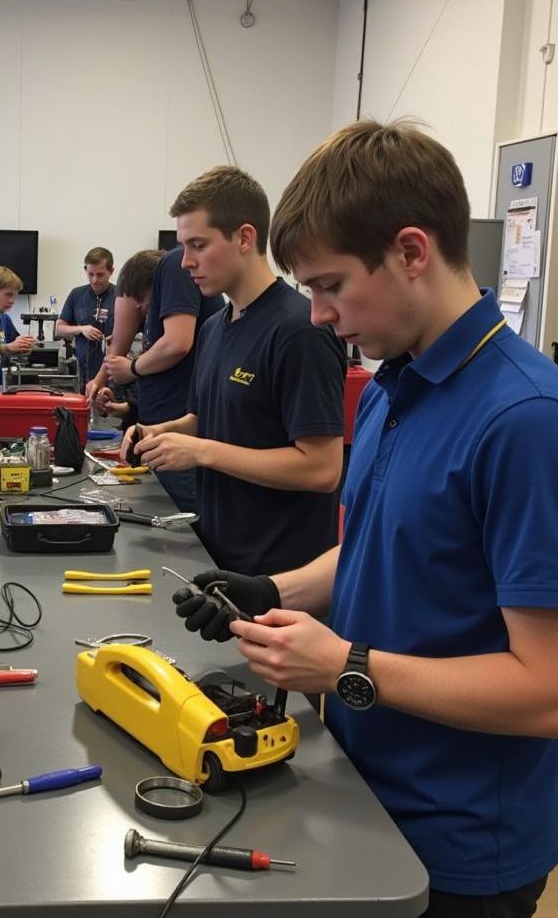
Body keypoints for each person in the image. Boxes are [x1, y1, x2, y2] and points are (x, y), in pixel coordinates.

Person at [173, 121, 558, 918]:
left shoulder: (526, 421)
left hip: (456, 844)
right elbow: (374, 552)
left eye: (331, 285)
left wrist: (347, 665)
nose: (316, 315)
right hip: (358, 787)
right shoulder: (391, 386)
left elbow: (546, 690)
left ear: (412, 251)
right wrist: (270, 587)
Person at [124, 166, 345, 573]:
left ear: (245, 237)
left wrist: (202, 452)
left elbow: (322, 469)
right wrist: (161, 433)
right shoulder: (214, 328)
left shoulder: (298, 331)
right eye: (183, 247)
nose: (186, 262)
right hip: (220, 555)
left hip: (280, 576)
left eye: (198, 245)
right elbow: (206, 419)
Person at [88, 245, 221, 513]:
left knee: (182, 536)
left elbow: (178, 345)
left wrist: (131, 369)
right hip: (164, 433)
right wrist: (128, 409)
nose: (141, 307)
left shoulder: (173, 265)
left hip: (179, 443)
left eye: (143, 300)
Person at [55, 246, 117, 391]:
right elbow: (59, 329)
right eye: (91, 274)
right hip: (82, 371)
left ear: (111, 271)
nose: (95, 280)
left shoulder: (120, 296)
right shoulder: (77, 295)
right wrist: (82, 329)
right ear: (85, 270)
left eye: (100, 275)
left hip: (112, 372)